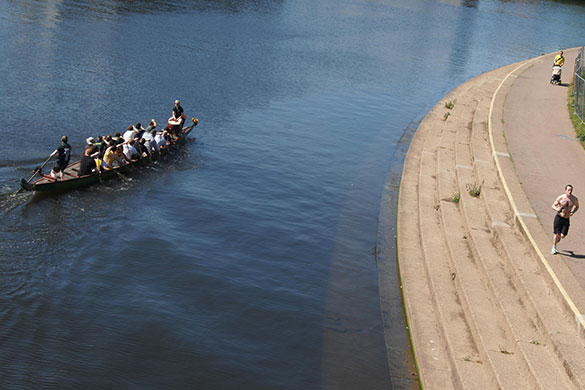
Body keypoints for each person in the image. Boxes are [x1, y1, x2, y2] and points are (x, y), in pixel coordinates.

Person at [551, 184, 579, 254]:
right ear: (565, 190)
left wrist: (573, 212)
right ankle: (554, 247)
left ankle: (559, 237)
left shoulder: (574, 199)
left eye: (571, 190)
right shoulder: (561, 198)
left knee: (563, 235)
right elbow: (553, 205)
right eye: (568, 190)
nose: (570, 191)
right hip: (559, 218)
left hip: (566, 219)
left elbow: (577, 206)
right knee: (556, 233)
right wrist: (557, 209)